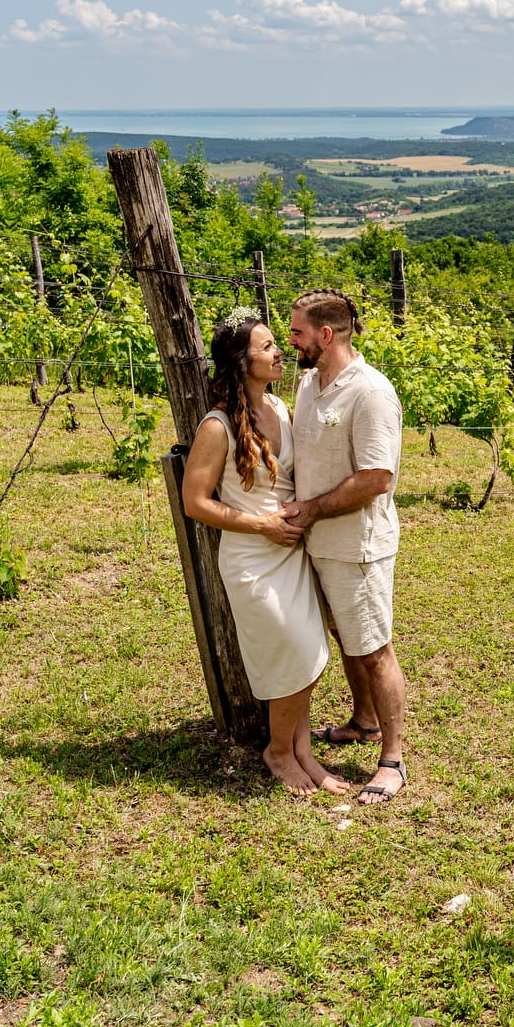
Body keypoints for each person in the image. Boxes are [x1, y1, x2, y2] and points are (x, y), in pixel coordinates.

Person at [179, 309, 348, 795]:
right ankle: (278, 750)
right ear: (241, 361)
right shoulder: (216, 426)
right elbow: (196, 502)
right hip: (253, 556)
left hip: (292, 553)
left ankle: (303, 753)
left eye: (278, 343)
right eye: (268, 346)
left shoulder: (279, 407)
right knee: (291, 648)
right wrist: (263, 524)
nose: (280, 351)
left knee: (308, 652)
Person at [283, 287, 410, 805]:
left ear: (326, 334)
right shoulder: (310, 383)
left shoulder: (371, 392)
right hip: (319, 541)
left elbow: (378, 477)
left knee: (374, 648)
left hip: (357, 545)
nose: (290, 341)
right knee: (344, 635)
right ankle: (364, 721)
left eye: (296, 332)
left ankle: (394, 761)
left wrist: (310, 510)